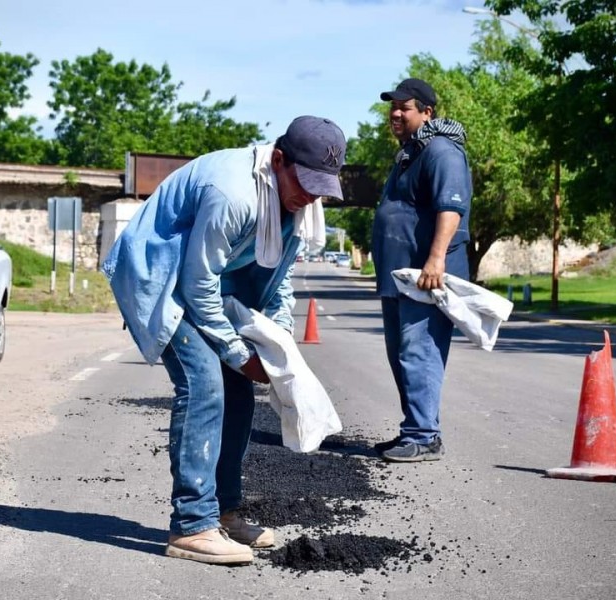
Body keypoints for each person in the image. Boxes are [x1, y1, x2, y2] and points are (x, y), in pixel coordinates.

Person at [103, 116, 346, 564]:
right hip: (165, 276)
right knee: (204, 385)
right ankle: (191, 525)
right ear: (278, 160)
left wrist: (277, 341)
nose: (311, 196)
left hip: (215, 284)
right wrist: (238, 353)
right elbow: (197, 284)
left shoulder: (300, 204)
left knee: (238, 393)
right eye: (305, 183)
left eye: (320, 187)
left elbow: (280, 278)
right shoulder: (233, 193)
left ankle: (223, 513)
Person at [371, 78, 472, 462]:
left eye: (405, 107)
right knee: (402, 354)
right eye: (392, 106)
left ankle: (424, 436)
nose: (396, 113)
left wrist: (436, 259)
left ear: (427, 112)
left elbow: (451, 206)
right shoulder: (410, 153)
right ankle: (416, 428)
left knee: (419, 352)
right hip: (401, 277)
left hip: (424, 275)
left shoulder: (441, 151)